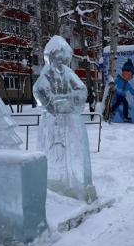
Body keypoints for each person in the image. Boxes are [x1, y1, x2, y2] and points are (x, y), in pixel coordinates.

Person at [33, 36, 97, 203]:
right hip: (52, 124)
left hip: (70, 121)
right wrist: (54, 105)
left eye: (62, 56)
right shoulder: (46, 74)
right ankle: (55, 188)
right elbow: (39, 91)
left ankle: (77, 187)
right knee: (55, 155)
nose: (59, 59)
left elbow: (82, 90)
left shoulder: (69, 73)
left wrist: (69, 101)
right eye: (56, 56)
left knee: (74, 154)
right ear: (51, 57)